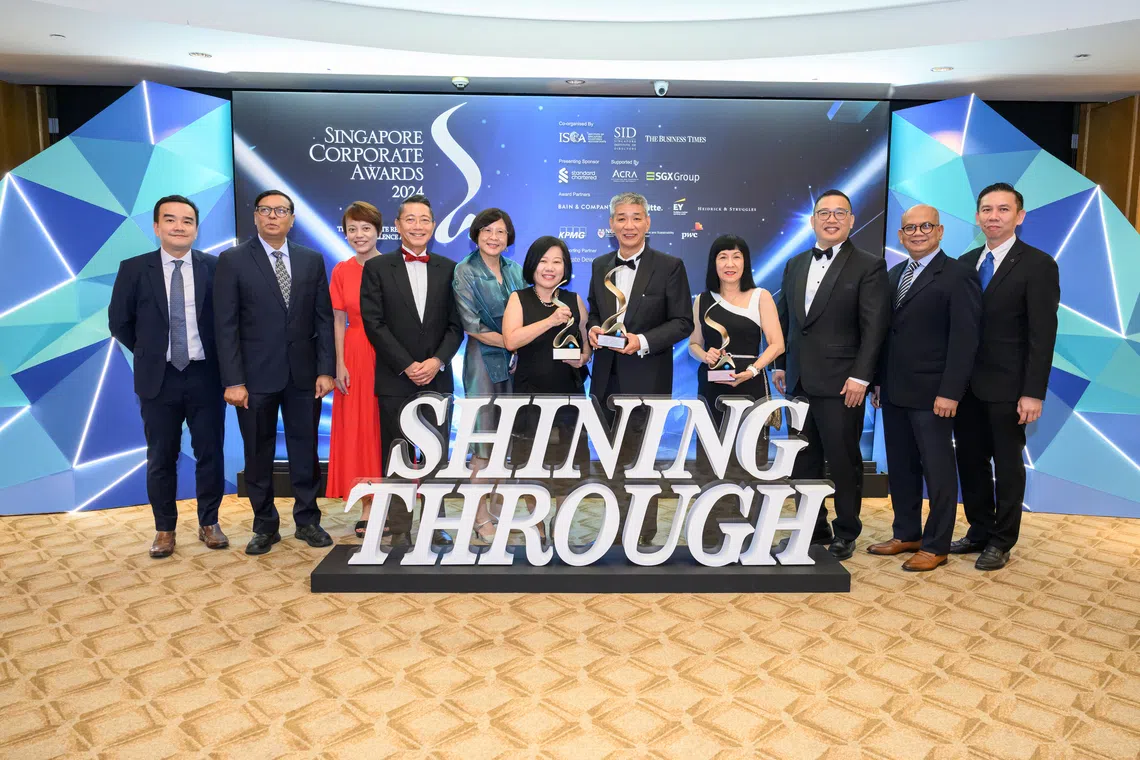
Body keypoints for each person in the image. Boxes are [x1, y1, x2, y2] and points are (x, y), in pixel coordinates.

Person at [213, 190, 336, 555]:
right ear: (255, 216)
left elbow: (323, 318)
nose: (272, 216)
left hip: (303, 376)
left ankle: (308, 520)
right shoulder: (233, 260)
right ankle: (265, 525)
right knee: (257, 452)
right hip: (253, 379)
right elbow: (225, 325)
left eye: (280, 210)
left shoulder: (311, 259)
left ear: (291, 219)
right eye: (265, 210)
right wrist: (233, 380)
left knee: (305, 450)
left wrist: (325, 369)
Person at [773, 189, 890, 560]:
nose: (832, 219)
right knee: (802, 460)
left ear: (851, 221)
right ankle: (813, 525)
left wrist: (862, 377)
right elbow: (786, 320)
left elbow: (874, 328)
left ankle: (846, 530)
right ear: (813, 221)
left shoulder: (869, 265)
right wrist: (780, 364)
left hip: (843, 383)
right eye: (824, 212)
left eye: (840, 212)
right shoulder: (794, 264)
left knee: (843, 460)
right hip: (798, 381)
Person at [108, 195, 226, 559]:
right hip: (158, 378)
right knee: (161, 456)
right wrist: (152, 352)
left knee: (210, 453)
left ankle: (209, 522)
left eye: (187, 221)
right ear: (157, 226)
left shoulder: (214, 267)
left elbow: (226, 322)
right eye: (171, 220)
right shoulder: (134, 269)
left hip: (206, 375)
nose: (179, 226)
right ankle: (164, 529)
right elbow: (120, 323)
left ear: (196, 229)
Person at [951, 183, 1060, 571]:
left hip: (1009, 388)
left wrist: (1033, 392)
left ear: (1019, 216)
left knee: (1008, 466)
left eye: (1002, 209)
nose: (993, 216)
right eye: (986, 209)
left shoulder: (1038, 264)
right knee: (970, 461)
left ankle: (1002, 540)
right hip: (965, 387)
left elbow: (1042, 334)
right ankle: (979, 530)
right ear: (977, 216)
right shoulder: (964, 262)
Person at [868, 205, 982, 572]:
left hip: (935, 395)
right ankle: (907, 533)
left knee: (938, 471)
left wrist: (951, 391)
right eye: (910, 228)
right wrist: (878, 382)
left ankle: (936, 545)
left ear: (940, 231)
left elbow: (965, 339)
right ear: (900, 236)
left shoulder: (958, 275)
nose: (917, 233)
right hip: (894, 391)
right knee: (902, 467)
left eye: (925, 226)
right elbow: (887, 334)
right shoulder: (894, 274)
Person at [586, 192, 693, 544]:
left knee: (642, 458)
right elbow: (596, 310)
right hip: (606, 378)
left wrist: (642, 340)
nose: (628, 225)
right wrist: (593, 328)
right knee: (613, 457)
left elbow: (682, 322)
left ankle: (643, 532)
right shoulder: (600, 265)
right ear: (611, 224)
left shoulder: (669, 265)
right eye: (621, 218)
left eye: (636, 218)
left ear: (648, 222)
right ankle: (616, 527)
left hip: (648, 377)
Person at [359, 194, 463, 545]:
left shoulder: (450, 268)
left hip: (438, 377)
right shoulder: (377, 268)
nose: (418, 226)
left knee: (436, 455)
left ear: (433, 226)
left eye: (424, 220)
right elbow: (374, 323)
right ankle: (400, 528)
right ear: (398, 226)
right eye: (411, 219)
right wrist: (406, 365)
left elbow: (457, 326)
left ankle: (435, 525)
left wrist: (436, 362)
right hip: (395, 379)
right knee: (397, 454)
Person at [687, 234, 784, 548]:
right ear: (713, 263)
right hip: (711, 388)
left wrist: (753, 370)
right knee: (711, 459)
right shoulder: (702, 300)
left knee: (749, 459)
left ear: (746, 262)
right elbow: (693, 344)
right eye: (723, 257)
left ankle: (750, 536)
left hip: (749, 384)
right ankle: (711, 534)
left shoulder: (761, 296)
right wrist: (705, 355)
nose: (730, 264)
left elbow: (777, 344)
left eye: (736, 256)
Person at [502, 236, 592, 524]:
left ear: (565, 267)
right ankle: (537, 524)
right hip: (530, 396)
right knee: (531, 466)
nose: (550, 268)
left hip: (568, 395)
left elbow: (585, 342)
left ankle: (561, 523)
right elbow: (511, 340)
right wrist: (551, 320)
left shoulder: (574, 300)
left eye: (557, 262)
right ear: (533, 265)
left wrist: (584, 357)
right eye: (543, 261)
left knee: (567, 464)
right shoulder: (519, 298)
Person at [452, 209, 526, 541]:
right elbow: (472, 325)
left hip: (515, 361)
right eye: (487, 230)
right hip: (482, 361)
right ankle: (479, 517)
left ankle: (497, 511)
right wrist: (511, 342)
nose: (494, 237)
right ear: (476, 234)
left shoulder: (515, 270)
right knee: (483, 441)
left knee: (506, 441)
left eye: (500, 232)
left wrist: (517, 346)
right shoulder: (465, 270)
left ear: (509, 238)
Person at [326, 201, 385, 538]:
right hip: (354, 355)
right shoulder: (341, 270)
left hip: (388, 355)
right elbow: (338, 319)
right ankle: (367, 505)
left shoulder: (394, 266)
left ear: (378, 231)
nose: (359, 235)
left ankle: (391, 501)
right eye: (352, 229)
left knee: (383, 429)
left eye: (365, 228)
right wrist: (339, 363)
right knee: (359, 431)